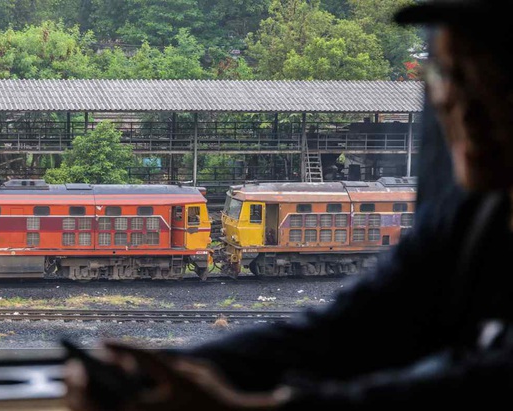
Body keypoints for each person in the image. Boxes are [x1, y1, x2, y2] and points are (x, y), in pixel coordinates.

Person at [65, 1, 513, 409]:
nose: (463, 108)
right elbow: (367, 321)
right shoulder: (470, 220)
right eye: (448, 75)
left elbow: (477, 384)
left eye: (495, 79)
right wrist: (172, 367)